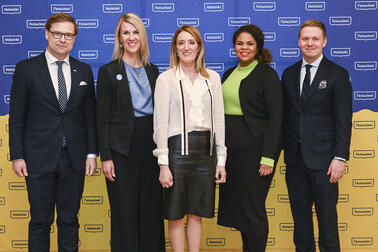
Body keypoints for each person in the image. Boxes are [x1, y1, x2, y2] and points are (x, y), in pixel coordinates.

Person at [8, 13, 97, 252]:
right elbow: (17, 117)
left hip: (74, 158)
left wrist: (91, 154)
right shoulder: (26, 69)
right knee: (40, 221)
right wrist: (17, 155)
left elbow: (89, 116)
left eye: (68, 35)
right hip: (37, 158)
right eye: (58, 33)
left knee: (69, 221)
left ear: (74, 38)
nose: (62, 39)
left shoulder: (84, 70)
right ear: (47, 34)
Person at [153, 25, 227, 252]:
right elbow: (160, 122)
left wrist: (221, 159)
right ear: (175, 48)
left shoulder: (212, 78)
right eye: (181, 43)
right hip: (176, 151)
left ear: (199, 47)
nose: (186, 47)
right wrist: (163, 164)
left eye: (191, 42)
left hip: (206, 154)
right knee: (176, 213)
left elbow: (219, 119)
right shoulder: (165, 79)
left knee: (196, 211)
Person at [281, 19, 353, 252]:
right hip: (295, 160)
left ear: (324, 41)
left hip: (325, 161)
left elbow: (343, 119)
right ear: (299, 42)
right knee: (300, 224)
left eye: (314, 38)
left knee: (327, 222)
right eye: (305, 39)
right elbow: (287, 116)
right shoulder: (289, 74)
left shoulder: (338, 74)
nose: (309, 43)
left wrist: (340, 157)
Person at [96, 13, 165, 252]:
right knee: (124, 210)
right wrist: (105, 157)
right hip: (121, 149)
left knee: (150, 208)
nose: (131, 37)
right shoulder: (107, 72)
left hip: (152, 147)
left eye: (136, 32)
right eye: (126, 32)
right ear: (119, 37)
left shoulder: (154, 70)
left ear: (142, 36)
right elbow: (101, 118)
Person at [217, 24, 283, 252]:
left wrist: (268, 157)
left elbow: (276, 118)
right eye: (239, 43)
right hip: (231, 153)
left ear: (258, 47)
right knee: (240, 210)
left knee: (253, 209)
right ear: (234, 46)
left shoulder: (267, 74)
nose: (244, 48)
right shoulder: (228, 74)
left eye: (249, 43)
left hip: (256, 152)